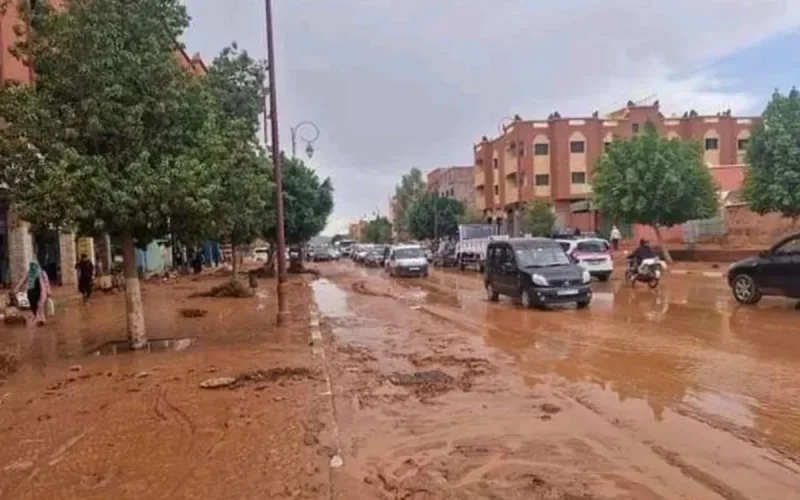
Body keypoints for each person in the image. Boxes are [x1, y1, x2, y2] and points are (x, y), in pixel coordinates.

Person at [14, 261, 50, 326]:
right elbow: (22, 281)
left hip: (41, 292)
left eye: (34, 266)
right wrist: (16, 288)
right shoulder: (29, 273)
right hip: (31, 293)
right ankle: (38, 319)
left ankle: (41, 319)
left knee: (40, 305)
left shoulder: (42, 273)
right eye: (32, 266)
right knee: (34, 306)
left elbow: (46, 283)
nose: (33, 267)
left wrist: (48, 291)